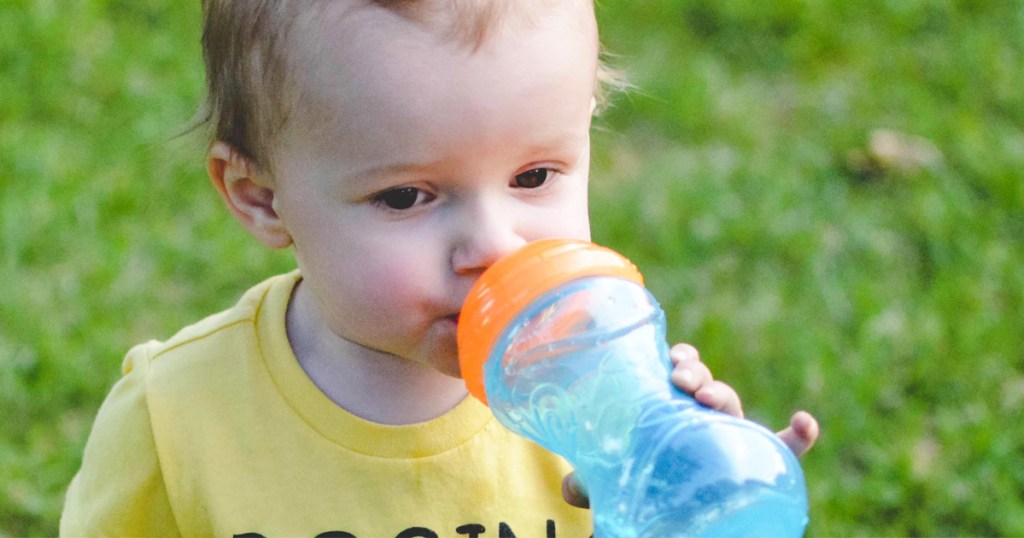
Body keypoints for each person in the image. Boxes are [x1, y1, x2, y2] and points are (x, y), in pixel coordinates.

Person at [61, 1, 819, 536]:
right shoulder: (177, 421)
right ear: (262, 199)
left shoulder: (597, 397)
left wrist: (692, 483)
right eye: (406, 196)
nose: (494, 247)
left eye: (534, 177)